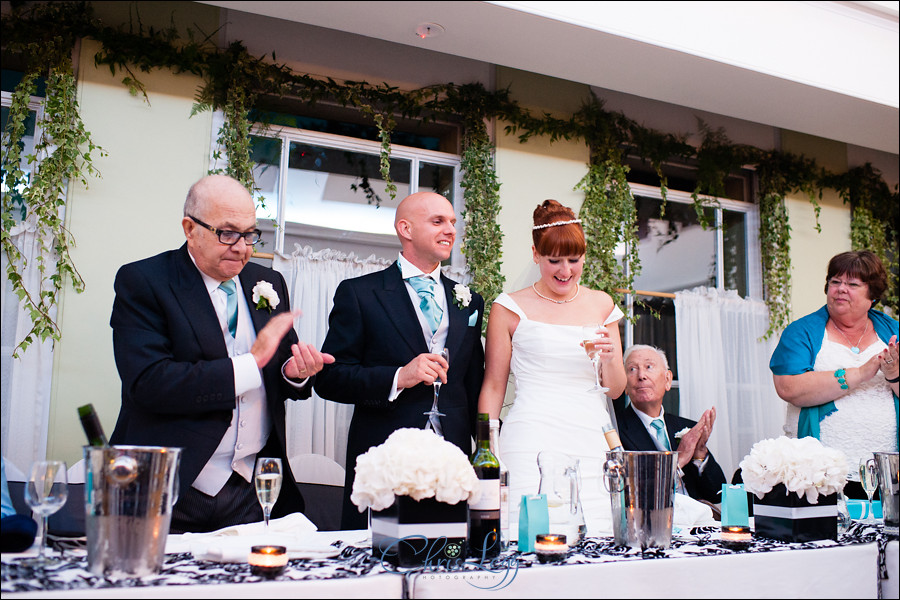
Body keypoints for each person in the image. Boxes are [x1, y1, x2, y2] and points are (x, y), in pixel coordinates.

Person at [109, 174, 334, 533]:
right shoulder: (145, 281)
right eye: (227, 233)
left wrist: (295, 372)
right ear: (189, 228)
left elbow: (279, 367)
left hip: (251, 487)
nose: (242, 247)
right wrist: (250, 363)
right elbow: (149, 383)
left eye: (250, 234)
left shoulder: (268, 283)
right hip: (171, 485)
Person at [314, 191, 485, 530]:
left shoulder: (469, 301)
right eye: (438, 221)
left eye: (452, 222)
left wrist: (482, 449)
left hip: (452, 463)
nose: (451, 229)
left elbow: (472, 382)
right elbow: (330, 378)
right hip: (385, 460)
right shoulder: (360, 294)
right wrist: (398, 377)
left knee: (447, 560)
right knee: (378, 563)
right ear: (405, 229)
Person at [477, 199, 627, 538]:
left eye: (574, 260)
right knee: (529, 533)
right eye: (554, 260)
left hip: (591, 437)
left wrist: (608, 358)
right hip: (531, 435)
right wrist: (487, 447)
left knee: (599, 534)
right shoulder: (509, 307)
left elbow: (615, 390)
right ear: (535, 254)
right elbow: (493, 386)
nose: (565, 270)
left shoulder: (602, 303)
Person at [769, 250, 898, 498]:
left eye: (852, 284)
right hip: (819, 476)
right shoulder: (802, 331)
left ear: (872, 294)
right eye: (835, 282)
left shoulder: (893, 332)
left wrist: (893, 375)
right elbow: (789, 388)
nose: (840, 289)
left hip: (886, 474)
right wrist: (860, 373)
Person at [616, 345, 726, 505]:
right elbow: (631, 495)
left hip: (695, 524)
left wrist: (700, 454)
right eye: (632, 369)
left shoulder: (687, 427)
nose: (641, 375)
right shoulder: (617, 431)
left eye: (649, 367)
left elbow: (717, 494)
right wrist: (678, 461)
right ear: (624, 385)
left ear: (667, 380)